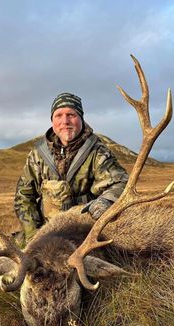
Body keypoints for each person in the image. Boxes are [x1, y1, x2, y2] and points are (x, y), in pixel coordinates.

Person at [14, 92, 129, 244]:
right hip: (45, 232)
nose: (65, 121)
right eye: (59, 115)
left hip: (84, 232)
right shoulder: (37, 154)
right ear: (52, 121)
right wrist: (33, 236)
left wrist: (105, 201)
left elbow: (120, 183)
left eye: (71, 115)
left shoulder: (97, 151)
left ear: (81, 118)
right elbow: (24, 196)